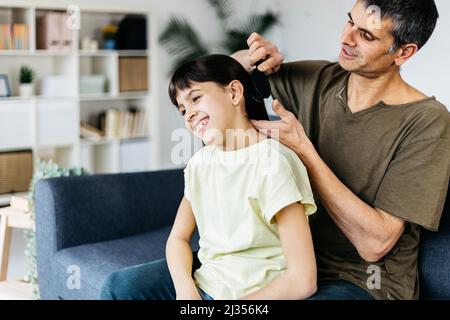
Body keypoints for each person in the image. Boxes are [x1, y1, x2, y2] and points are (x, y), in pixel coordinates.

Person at [231, 0, 450, 300]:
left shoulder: (427, 121)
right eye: (350, 22)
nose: (346, 38)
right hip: (285, 262)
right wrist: (250, 58)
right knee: (142, 284)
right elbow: (218, 84)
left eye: (366, 35)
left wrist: (306, 152)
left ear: (403, 52)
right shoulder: (319, 78)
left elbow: (376, 244)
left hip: (365, 282)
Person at [101, 54, 318, 300]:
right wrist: (186, 291)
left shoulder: (272, 163)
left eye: (196, 98)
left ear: (235, 92)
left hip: (255, 296)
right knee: (116, 287)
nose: (189, 115)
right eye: (183, 109)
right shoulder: (200, 164)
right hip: (205, 287)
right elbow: (178, 239)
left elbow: (303, 280)